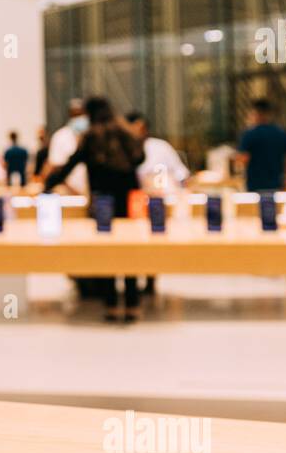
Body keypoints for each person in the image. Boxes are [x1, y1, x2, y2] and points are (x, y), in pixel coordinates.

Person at [44, 97, 145, 322]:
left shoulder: (90, 136)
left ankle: (111, 304)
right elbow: (140, 158)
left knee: (106, 250)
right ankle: (132, 304)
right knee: (128, 249)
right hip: (126, 199)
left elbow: (71, 163)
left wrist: (47, 186)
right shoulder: (127, 132)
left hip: (102, 200)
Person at [235, 98, 286, 193]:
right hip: (277, 185)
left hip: (254, 186)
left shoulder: (249, 134)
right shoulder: (281, 133)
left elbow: (243, 159)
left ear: (255, 114)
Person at [125, 111, 189, 192]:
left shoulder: (161, 146)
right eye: (134, 130)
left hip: (163, 194)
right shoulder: (121, 150)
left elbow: (182, 174)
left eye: (142, 129)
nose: (138, 133)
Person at [41, 99, 89, 194]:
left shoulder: (93, 136)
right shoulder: (61, 136)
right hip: (69, 191)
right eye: (76, 115)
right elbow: (56, 167)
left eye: (81, 114)